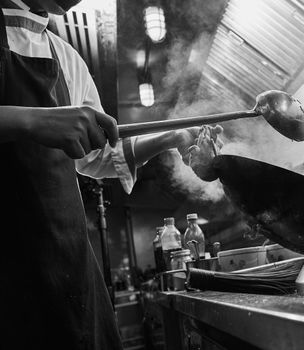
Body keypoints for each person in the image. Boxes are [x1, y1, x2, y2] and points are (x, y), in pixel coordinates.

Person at [0, 0, 220, 349]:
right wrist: (32, 120)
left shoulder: (64, 55)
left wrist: (170, 137)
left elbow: (98, 154)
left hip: (66, 262)